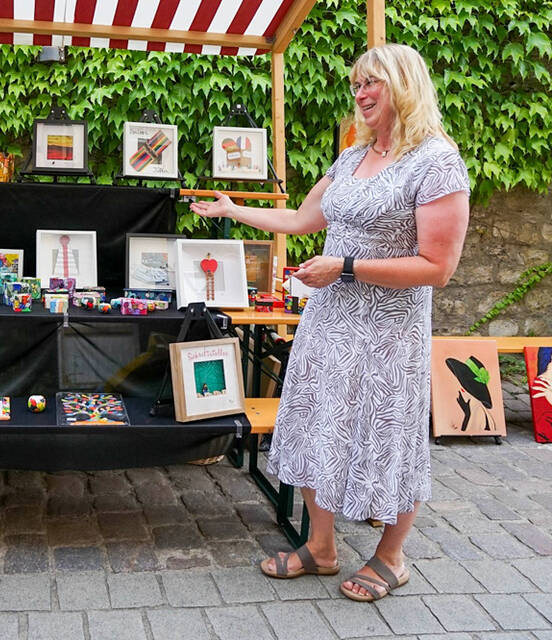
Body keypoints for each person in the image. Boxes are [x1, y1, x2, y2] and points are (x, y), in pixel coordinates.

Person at [191, 43, 470, 602]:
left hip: (388, 331)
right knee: (320, 422)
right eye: (356, 85)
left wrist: (344, 266)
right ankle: (321, 548)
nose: (361, 95)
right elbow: (299, 219)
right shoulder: (353, 157)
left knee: (387, 433)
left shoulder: (436, 161)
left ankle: (391, 557)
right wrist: (232, 209)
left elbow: (437, 268)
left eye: (373, 83)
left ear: (404, 85)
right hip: (329, 322)